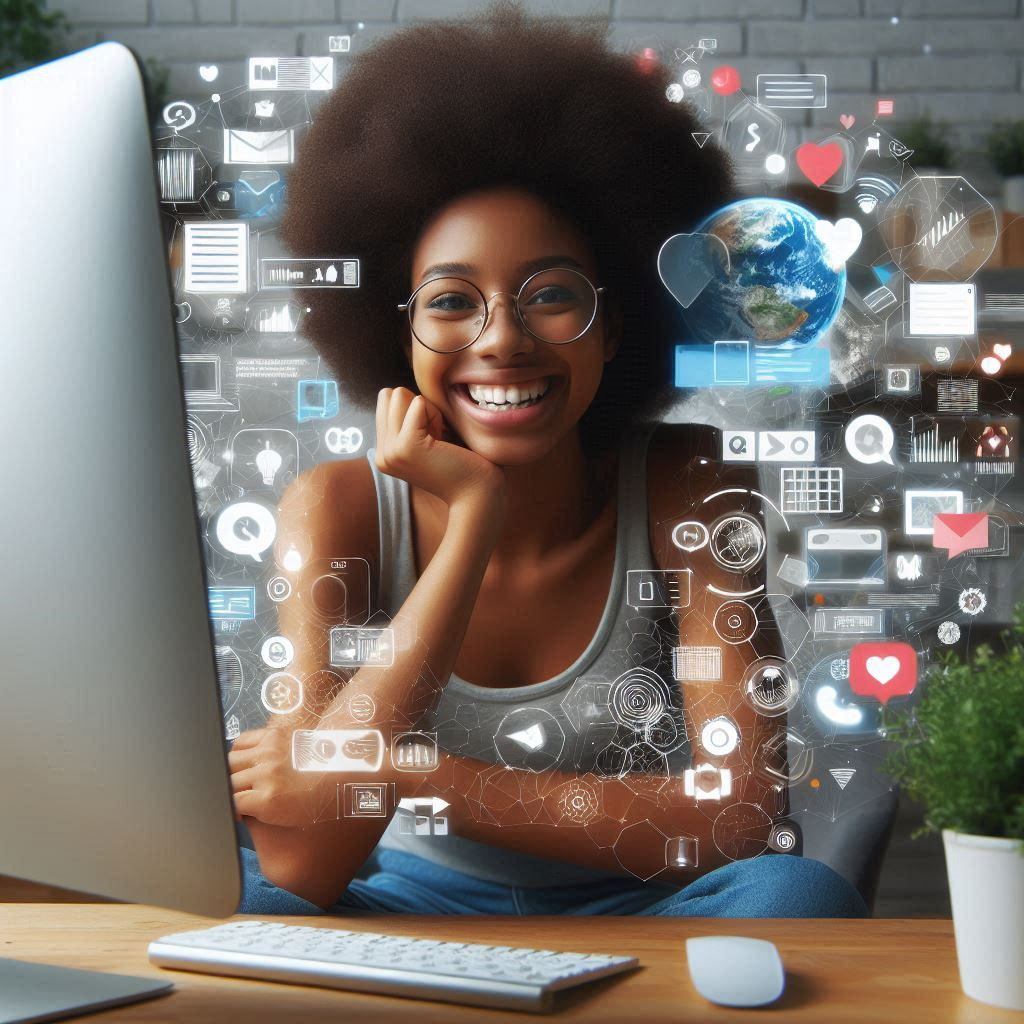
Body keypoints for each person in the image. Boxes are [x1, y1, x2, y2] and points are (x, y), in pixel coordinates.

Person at [227, 2, 868, 918]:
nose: (502, 340)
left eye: (552, 295)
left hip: (647, 907)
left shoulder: (690, 483)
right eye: (452, 301)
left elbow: (740, 822)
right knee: (251, 910)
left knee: (795, 896)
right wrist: (471, 525)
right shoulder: (337, 510)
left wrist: (406, 772)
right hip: (407, 904)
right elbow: (311, 862)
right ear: (393, 327)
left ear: (618, 329)